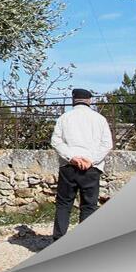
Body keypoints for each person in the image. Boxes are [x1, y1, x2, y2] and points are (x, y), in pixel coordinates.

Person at [50, 88, 113, 241]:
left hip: (68, 167)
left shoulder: (64, 118)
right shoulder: (99, 119)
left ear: (73, 100)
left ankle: (58, 241)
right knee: (89, 206)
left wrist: (72, 157)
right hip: (91, 168)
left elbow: (56, 141)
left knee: (64, 204)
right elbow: (107, 144)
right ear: (89, 101)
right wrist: (91, 160)